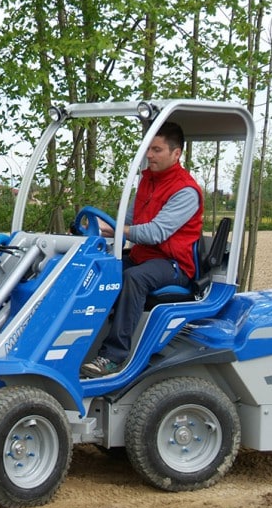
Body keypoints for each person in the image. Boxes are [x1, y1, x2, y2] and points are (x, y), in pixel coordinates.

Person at [81, 121, 203, 378]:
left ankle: (113, 356)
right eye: (148, 148)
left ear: (176, 153)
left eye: (157, 150)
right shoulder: (149, 180)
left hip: (174, 265)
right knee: (95, 269)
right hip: (143, 256)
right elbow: (127, 218)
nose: (149, 155)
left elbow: (155, 232)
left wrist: (118, 230)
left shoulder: (186, 191)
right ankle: (78, 343)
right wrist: (101, 226)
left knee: (134, 278)